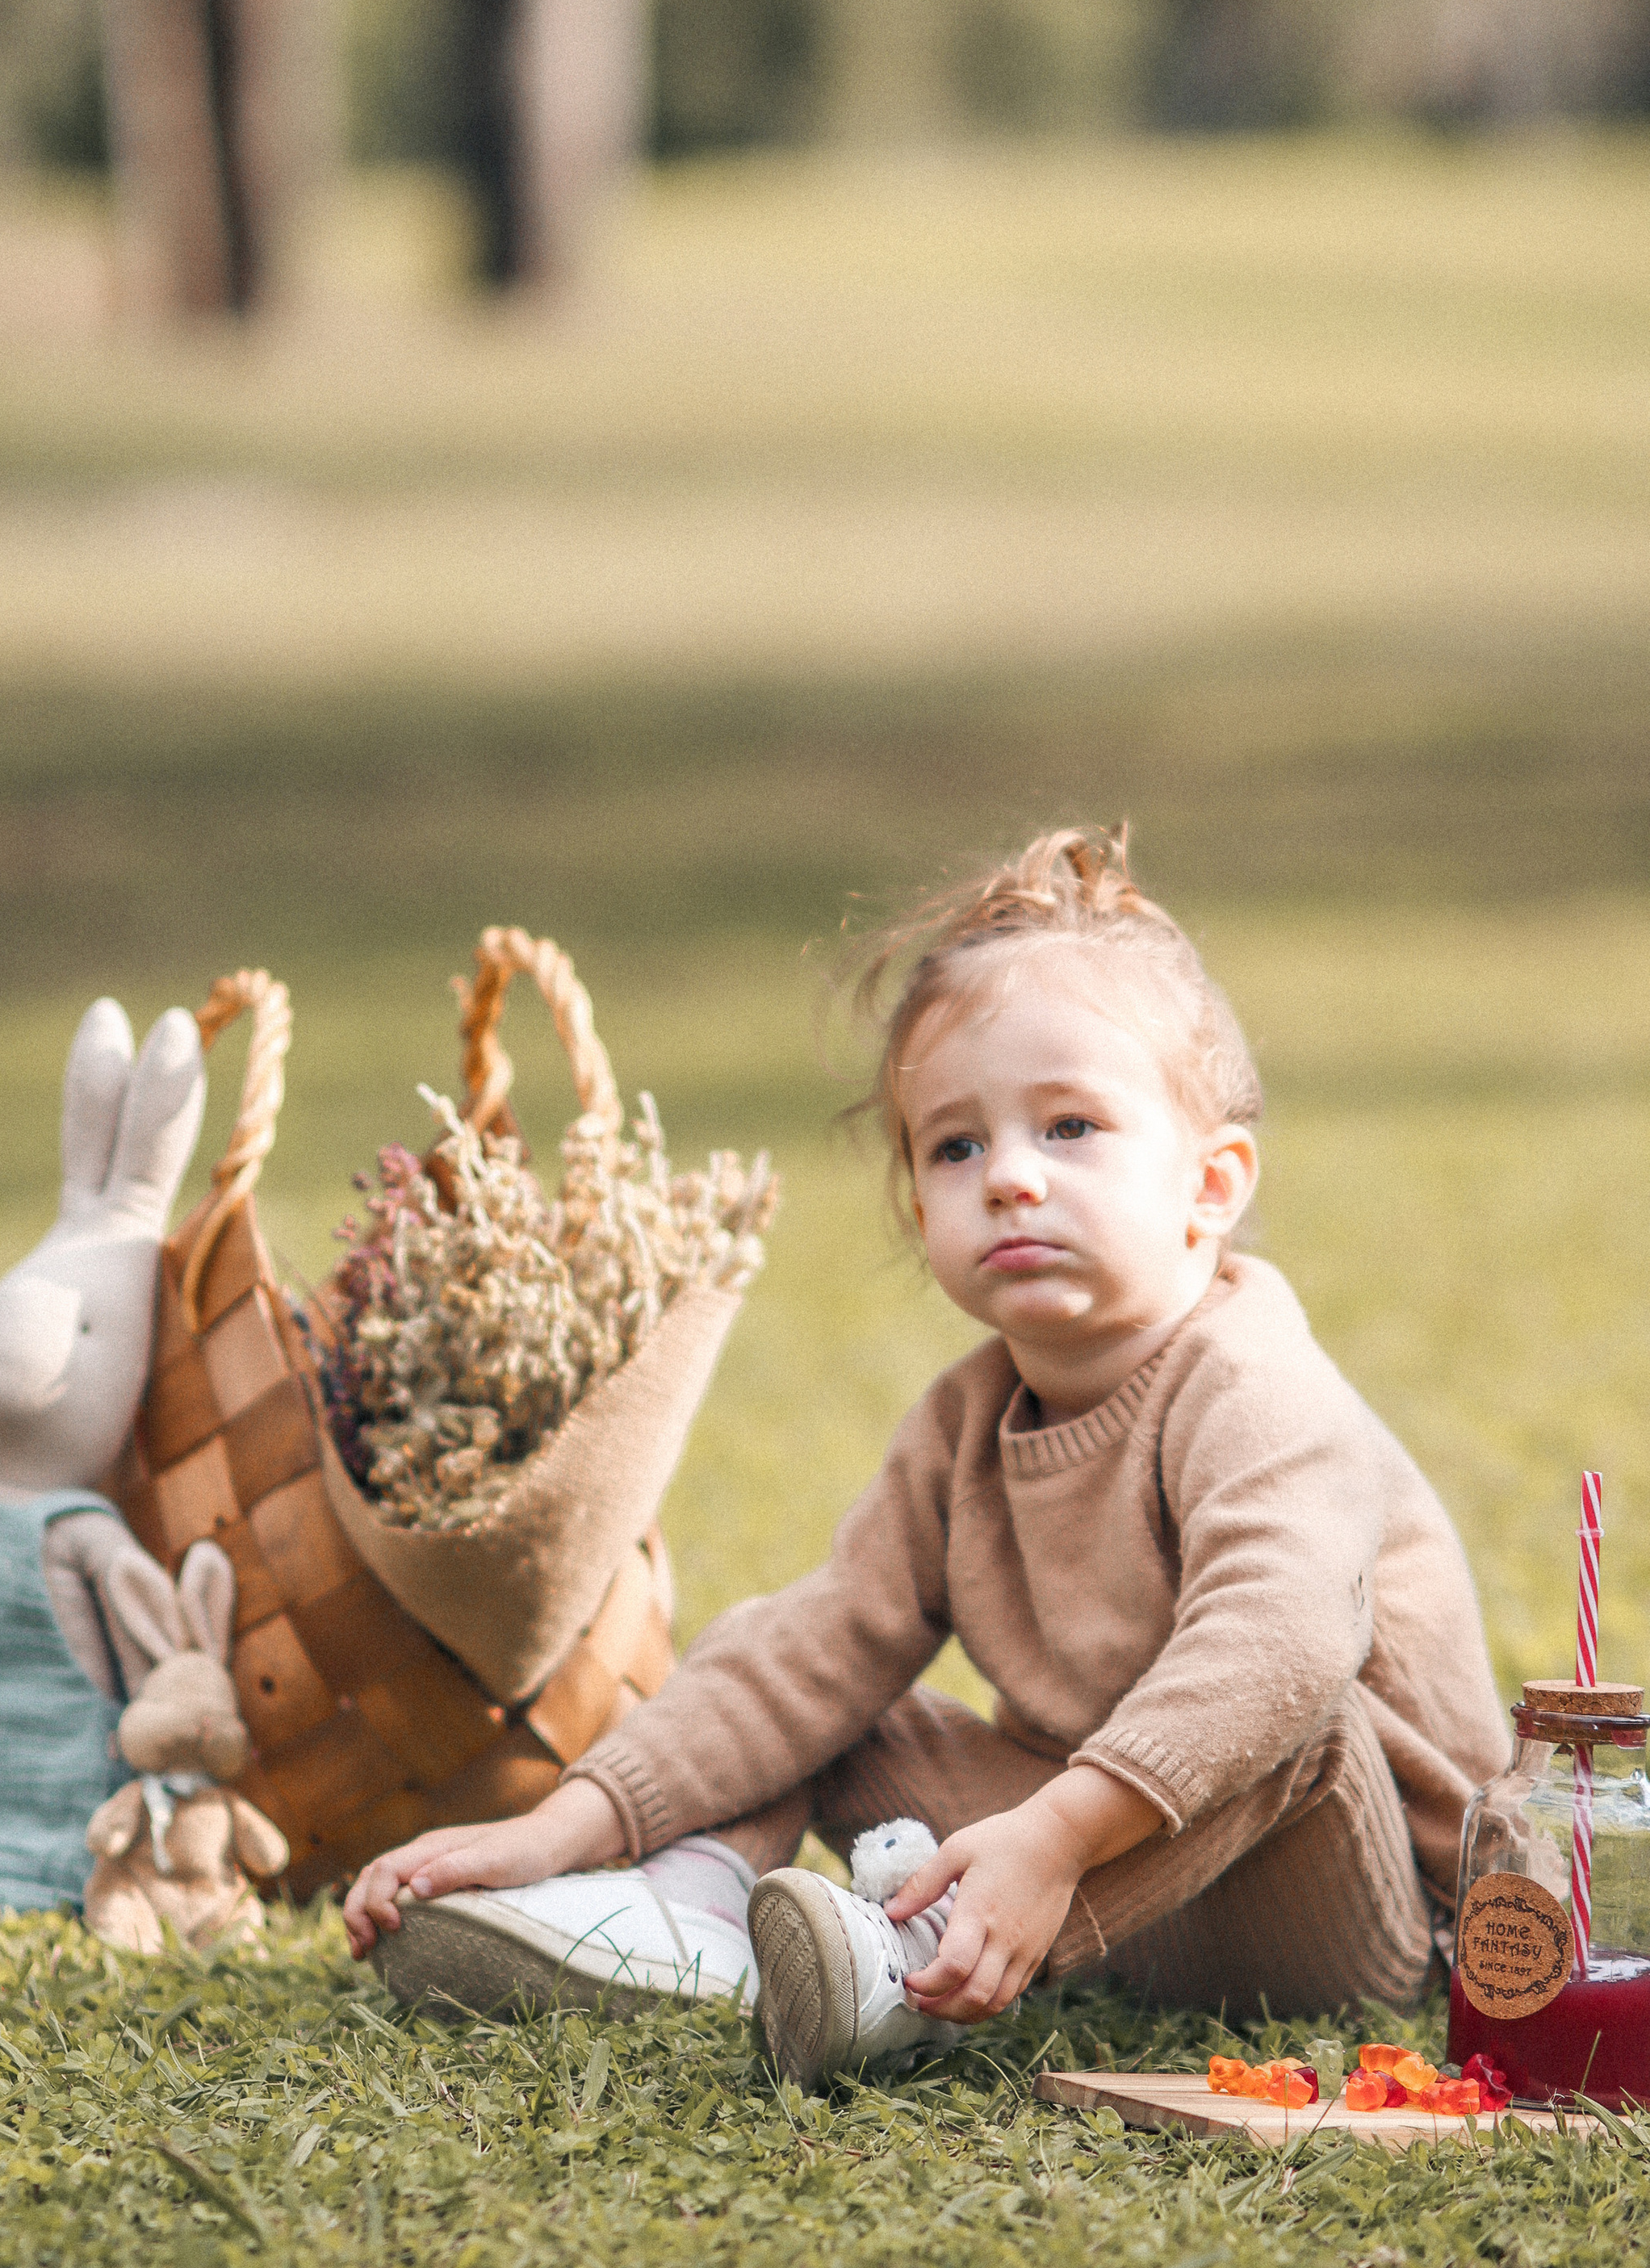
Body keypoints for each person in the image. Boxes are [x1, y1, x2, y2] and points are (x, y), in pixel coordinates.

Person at [342, 827, 1510, 2086]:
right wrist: (562, 1826)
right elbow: (818, 1648)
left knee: (1288, 1695)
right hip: (1094, 1872)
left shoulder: (1258, 1386)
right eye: (955, 1146)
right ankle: (688, 1909)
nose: (1007, 1177)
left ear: (1211, 1185)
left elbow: (1285, 1640)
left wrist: (1054, 1837)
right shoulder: (966, 1423)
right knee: (808, 1686)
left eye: (1070, 1127)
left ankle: (916, 1960)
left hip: (1350, 1915)